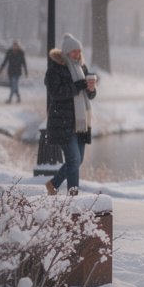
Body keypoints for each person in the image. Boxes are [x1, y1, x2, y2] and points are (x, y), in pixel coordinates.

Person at [43, 33, 97, 196]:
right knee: (73, 160)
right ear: (66, 52)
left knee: (77, 161)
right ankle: (73, 196)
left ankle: (54, 184)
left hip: (80, 122)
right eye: (74, 51)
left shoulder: (82, 68)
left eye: (79, 51)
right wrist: (78, 86)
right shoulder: (55, 70)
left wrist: (91, 89)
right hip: (63, 122)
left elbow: (89, 96)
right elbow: (56, 93)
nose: (77, 54)